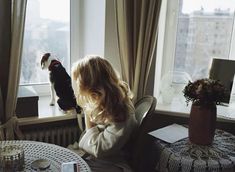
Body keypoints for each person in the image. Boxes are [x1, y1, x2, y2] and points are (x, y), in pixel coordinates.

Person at [71, 55, 137, 172]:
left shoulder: (121, 112)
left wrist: (89, 120)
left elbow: (100, 149)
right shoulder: (105, 102)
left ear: (93, 86)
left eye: (78, 82)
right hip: (100, 159)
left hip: (112, 164)